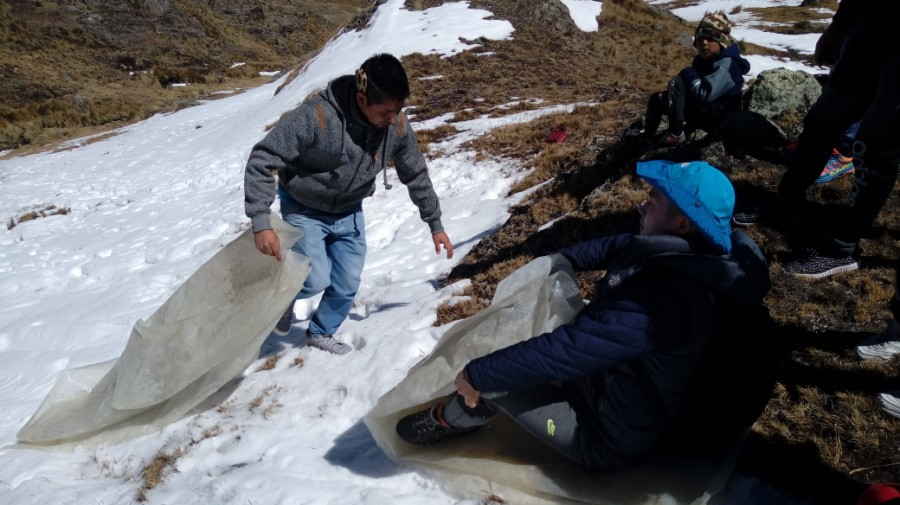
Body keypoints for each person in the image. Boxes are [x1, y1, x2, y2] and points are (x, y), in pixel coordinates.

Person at [395, 160, 771, 470]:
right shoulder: (690, 256)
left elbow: (571, 348)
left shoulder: (663, 305)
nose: (641, 207)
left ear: (682, 223)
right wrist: (561, 261)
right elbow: (617, 246)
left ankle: (449, 419)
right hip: (602, 389)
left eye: (652, 202)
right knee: (516, 357)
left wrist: (478, 374)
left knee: (494, 380)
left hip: (605, 437)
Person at [244, 53, 454, 355]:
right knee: (314, 278)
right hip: (304, 206)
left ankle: (321, 332)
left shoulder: (395, 125)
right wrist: (261, 221)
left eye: (398, 110)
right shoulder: (317, 116)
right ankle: (282, 299)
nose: (393, 119)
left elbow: (415, 172)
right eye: (386, 112)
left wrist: (435, 222)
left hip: (349, 210)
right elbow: (263, 159)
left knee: (346, 282)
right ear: (361, 99)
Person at [732, 0, 900, 279]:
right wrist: (839, 24)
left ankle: (842, 246)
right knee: (822, 121)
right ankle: (787, 203)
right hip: (871, 26)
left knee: (876, 145)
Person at [640, 12, 750, 146]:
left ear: (721, 41)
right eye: (699, 39)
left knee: (676, 82)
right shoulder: (704, 60)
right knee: (657, 99)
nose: (704, 43)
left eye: (710, 38)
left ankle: (676, 133)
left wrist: (688, 73)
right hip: (705, 111)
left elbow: (704, 94)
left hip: (718, 119)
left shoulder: (726, 65)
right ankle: (647, 138)